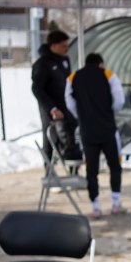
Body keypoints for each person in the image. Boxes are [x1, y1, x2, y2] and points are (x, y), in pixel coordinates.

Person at [64, 53, 125, 218]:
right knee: (115, 166)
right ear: (100, 63)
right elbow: (119, 99)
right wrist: (109, 114)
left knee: (91, 169)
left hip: (87, 130)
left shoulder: (73, 77)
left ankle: (96, 207)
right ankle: (116, 203)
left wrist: (81, 116)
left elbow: (69, 102)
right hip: (108, 129)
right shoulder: (108, 75)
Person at [32, 30, 81, 163]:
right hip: (50, 110)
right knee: (49, 139)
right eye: (63, 45)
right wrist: (52, 108)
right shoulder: (42, 63)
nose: (67, 48)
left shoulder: (64, 60)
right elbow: (37, 88)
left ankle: (73, 168)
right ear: (53, 46)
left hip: (66, 106)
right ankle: (48, 170)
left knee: (72, 136)